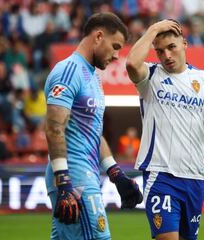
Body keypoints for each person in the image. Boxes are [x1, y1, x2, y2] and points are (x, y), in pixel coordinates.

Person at [126, 19, 204, 240]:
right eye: (159, 51)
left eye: (171, 47)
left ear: (185, 44)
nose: (166, 55)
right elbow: (130, 63)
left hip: (195, 177)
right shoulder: (150, 76)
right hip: (161, 175)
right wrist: (154, 29)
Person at [44, 12, 143, 240]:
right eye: (115, 46)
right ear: (98, 36)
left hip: (84, 174)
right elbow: (53, 128)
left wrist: (115, 173)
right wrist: (64, 183)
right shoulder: (68, 71)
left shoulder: (93, 77)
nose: (117, 55)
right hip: (74, 177)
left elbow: (93, 132)